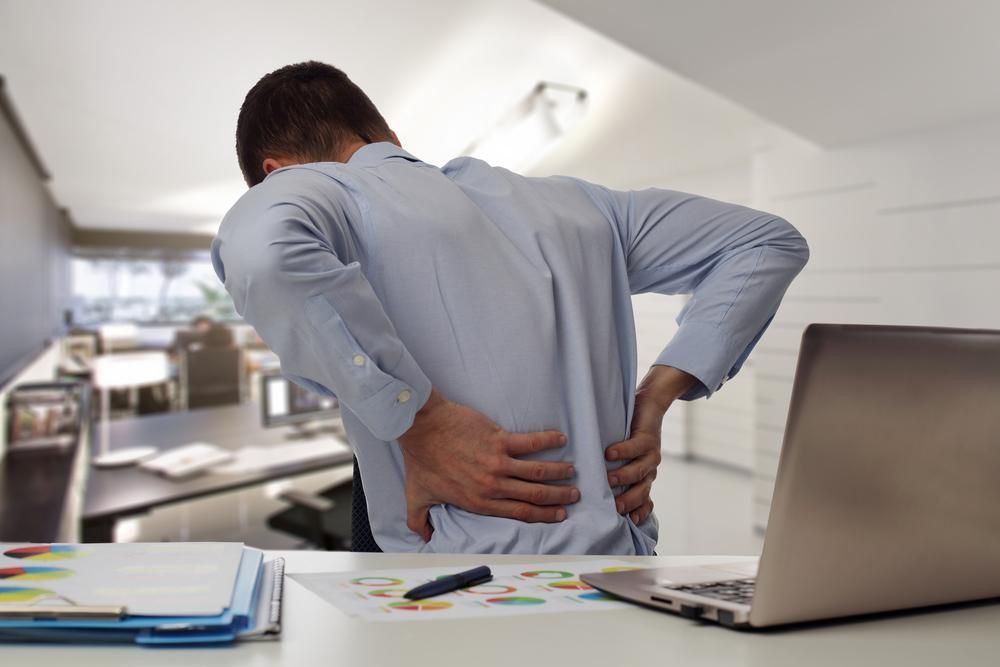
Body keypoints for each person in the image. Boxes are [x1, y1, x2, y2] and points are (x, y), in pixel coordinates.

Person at [211, 62, 809, 554]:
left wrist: (420, 419)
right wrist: (657, 394)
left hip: (465, 589)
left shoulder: (320, 190)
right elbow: (766, 242)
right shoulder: (579, 206)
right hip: (623, 569)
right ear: (390, 137)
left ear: (276, 173)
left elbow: (264, 255)